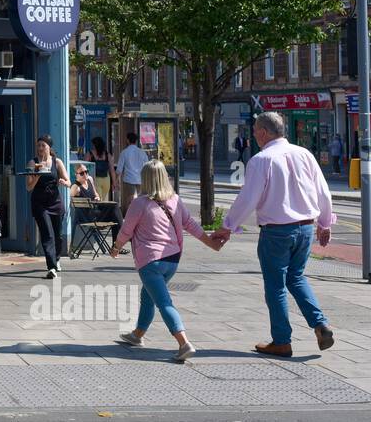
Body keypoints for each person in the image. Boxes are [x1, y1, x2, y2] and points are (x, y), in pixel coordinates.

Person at [212, 111, 336, 358]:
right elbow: (322, 191)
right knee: (297, 277)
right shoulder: (304, 154)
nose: (255, 135)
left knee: (276, 286)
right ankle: (320, 324)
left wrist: (228, 226)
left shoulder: (262, 159)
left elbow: (248, 198)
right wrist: (324, 222)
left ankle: (282, 341)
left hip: (277, 232)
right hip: (305, 229)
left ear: (265, 132)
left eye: (256, 130)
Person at [111, 160, 219, 362]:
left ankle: (184, 343)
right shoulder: (175, 200)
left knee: (164, 302)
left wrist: (116, 248)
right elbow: (191, 225)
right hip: (172, 261)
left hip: (150, 262)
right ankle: (137, 335)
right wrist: (210, 243)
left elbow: (126, 231)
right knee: (148, 295)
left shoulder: (139, 203)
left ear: (145, 179)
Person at [26, 135, 69, 278]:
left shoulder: (57, 162)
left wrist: (64, 182)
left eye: (43, 145)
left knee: (58, 236)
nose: (40, 148)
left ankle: (56, 260)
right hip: (39, 203)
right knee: (47, 234)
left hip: (55, 202)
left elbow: (68, 181)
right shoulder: (33, 163)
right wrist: (37, 176)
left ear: (49, 147)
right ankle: (51, 267)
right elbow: (28, 187)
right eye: (38, 145)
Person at [114, 132, 148, 216]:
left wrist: (116, 181)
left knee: (129, 200)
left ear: (127, 140)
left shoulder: (124, 152)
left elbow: (119, 169)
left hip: (128, 180)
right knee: (141, 199)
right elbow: (147, 166)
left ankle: (128, 216)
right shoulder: (142, 152)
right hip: (140, 179)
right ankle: (140, 215)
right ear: (136, 141)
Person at [87, 136, 112, 201]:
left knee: (98, 199)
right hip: (106, 179)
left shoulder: (90, 154)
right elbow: (112, 170)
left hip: (96, 179)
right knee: (104, 199)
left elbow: (84, 166)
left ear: (94, 145)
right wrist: (114, 182)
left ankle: (100, 211)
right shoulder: (107, 154)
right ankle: (104, 210)